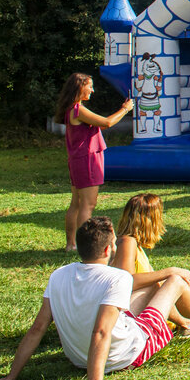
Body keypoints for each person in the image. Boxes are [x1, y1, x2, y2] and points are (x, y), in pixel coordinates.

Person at [0, 217, 190, 380]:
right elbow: (101, 331)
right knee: (175, 282)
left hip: (77, 358)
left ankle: (186, 325)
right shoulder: (117, 278)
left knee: (147, 291)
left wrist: (10, 377)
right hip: (126, 355)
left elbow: (37, 328)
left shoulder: (58, 275)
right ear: (107, 249)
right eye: (114, 243)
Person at [113, 193, 190, 337]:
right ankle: (189, 325)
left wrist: (189, 285)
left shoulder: (135, 244)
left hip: (143, 302)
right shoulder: (127, 242)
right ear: (151, 219)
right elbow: (126, 282)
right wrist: (171, 271)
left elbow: (151, 277)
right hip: (131, 310)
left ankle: (187, 324)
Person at [54, 72, 133, 251]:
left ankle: (71, 244)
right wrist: (125, 109)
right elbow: (106, 123)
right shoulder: (78, 110)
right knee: (88, 205)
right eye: (90, 86)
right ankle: (85, 247)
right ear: (79, 87)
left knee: (76, 203)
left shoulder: (71, 109)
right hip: (88, 159)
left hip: (77, 160)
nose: (93, 90)